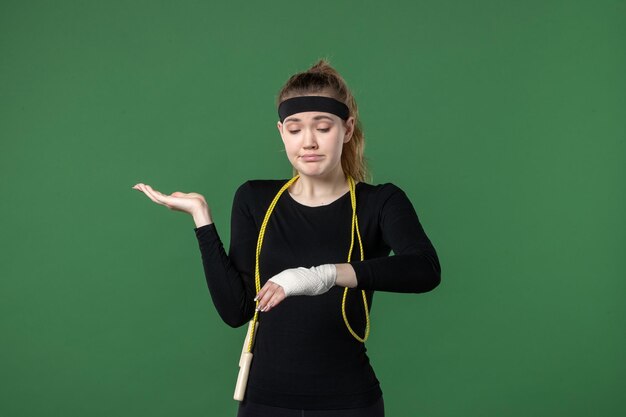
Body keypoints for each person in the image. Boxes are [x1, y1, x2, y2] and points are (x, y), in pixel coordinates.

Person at [132, 59, 441, 417]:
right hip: (264, 403)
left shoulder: (379, 203)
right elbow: (237, 311)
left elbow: (425, 269)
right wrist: (202, 219)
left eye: (323, 127)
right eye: (295, 129)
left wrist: (325, 275)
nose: (308, 142)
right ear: (281, 132)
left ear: (347, 128)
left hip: (349, 402)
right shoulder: (254, 200)